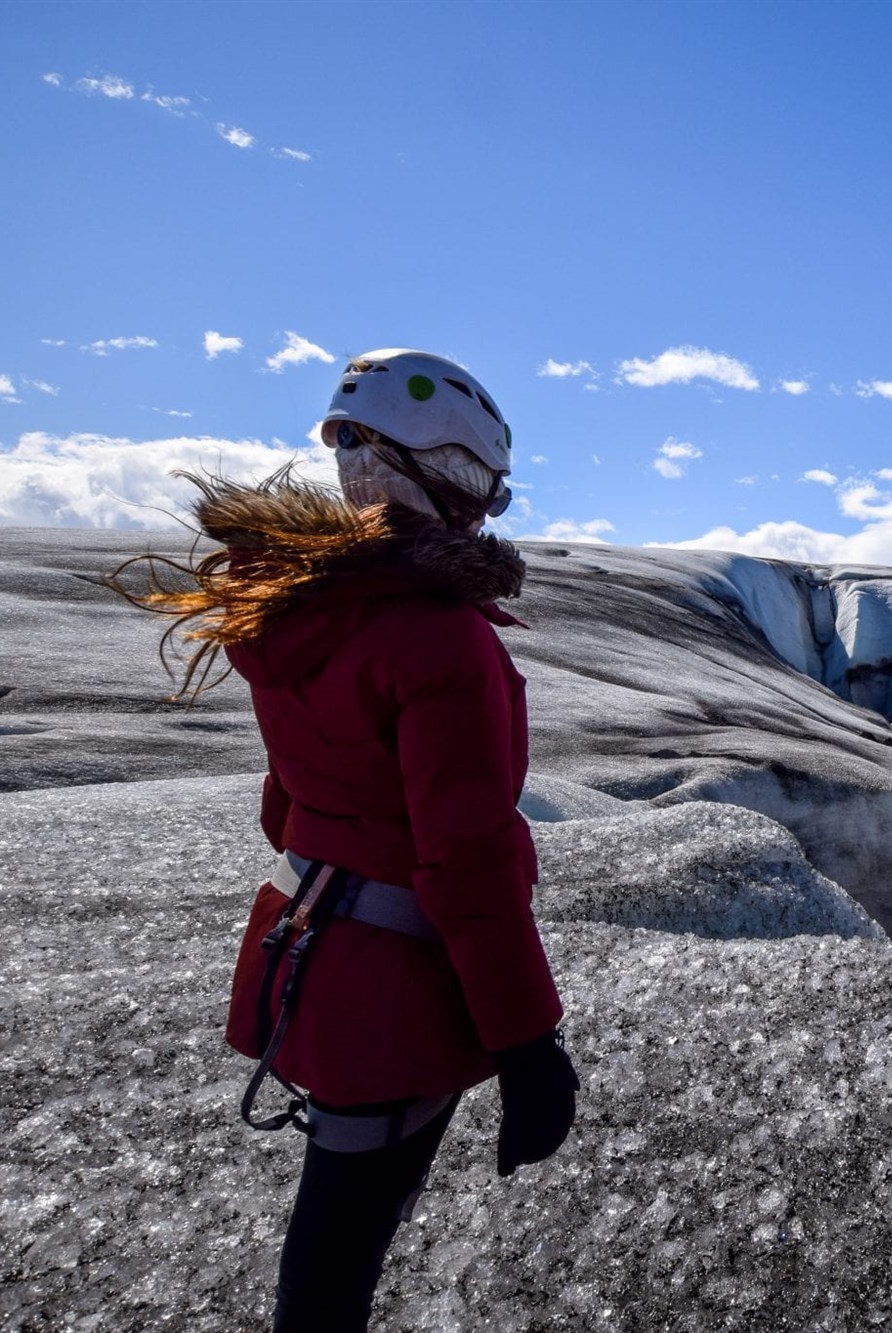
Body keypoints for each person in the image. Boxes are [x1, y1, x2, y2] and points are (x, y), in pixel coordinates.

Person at [109, 349, 579, 1330]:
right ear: (447, 474)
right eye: (483, 484)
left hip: (308, 951)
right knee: (343, 1240)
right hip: (393, 985)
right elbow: (468, 865)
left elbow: (287, 805)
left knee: (337, 1224)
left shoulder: (302, 606)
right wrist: (529, 1042)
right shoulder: (438, 639)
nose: (487, 505)